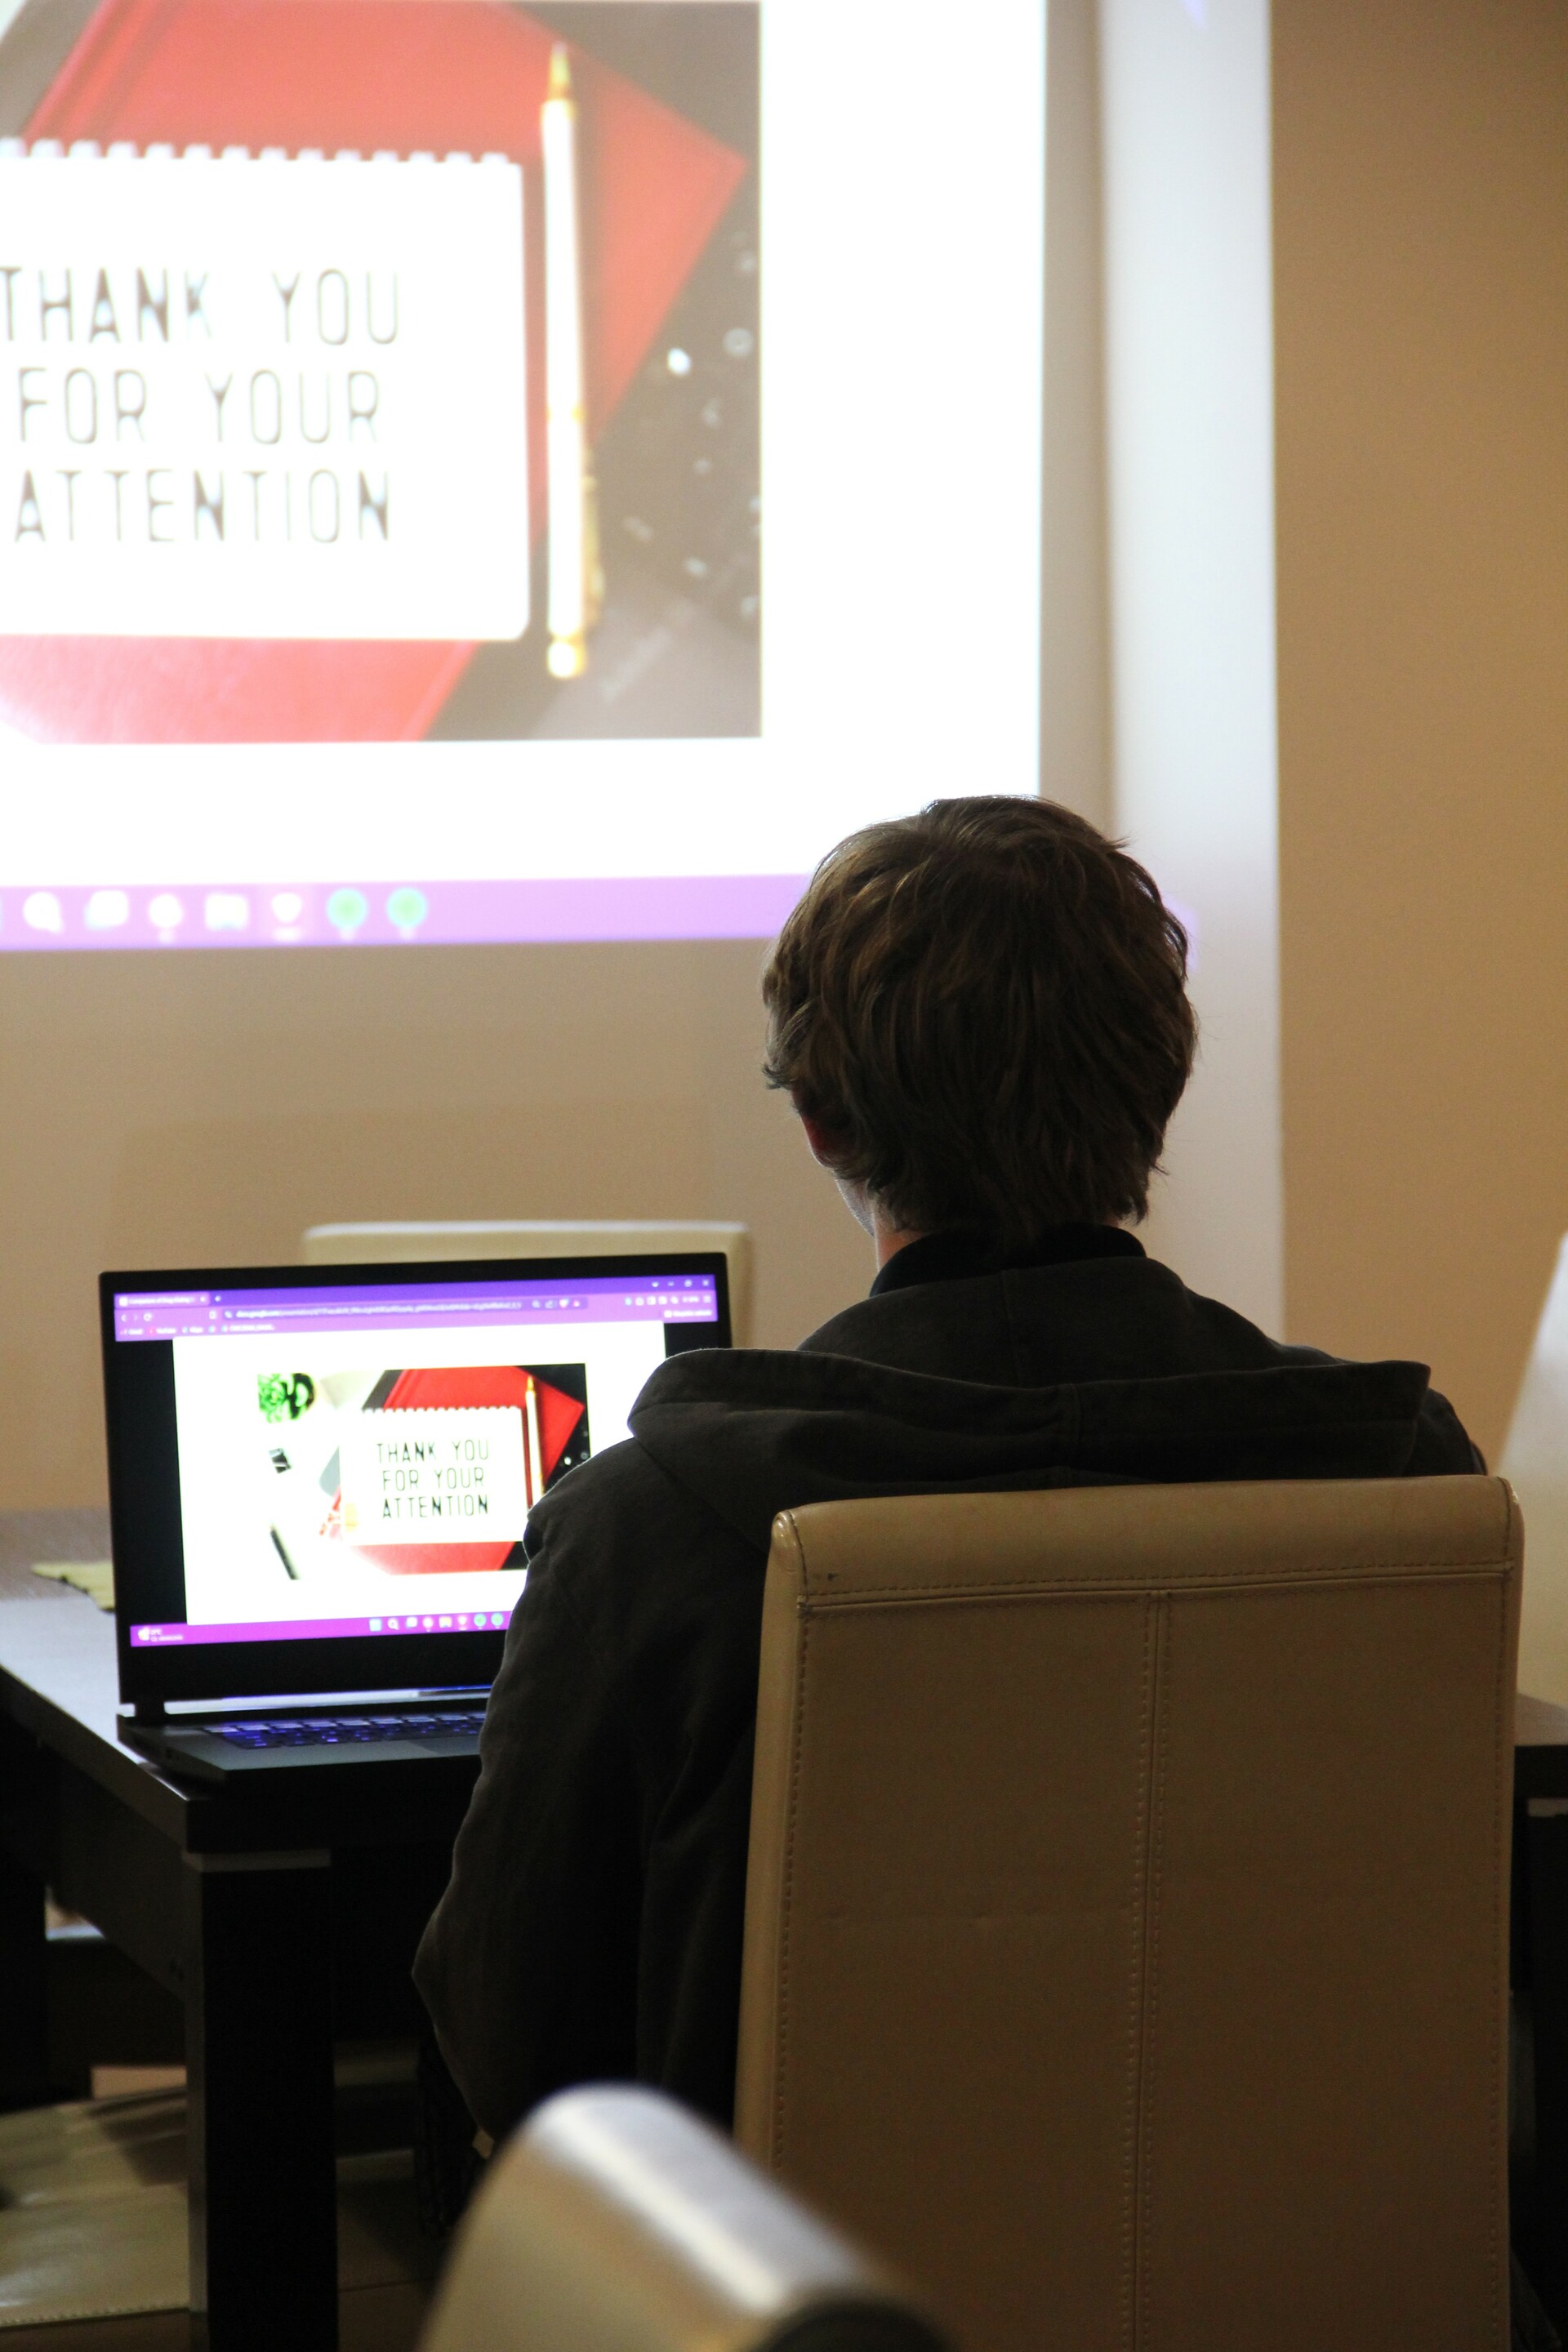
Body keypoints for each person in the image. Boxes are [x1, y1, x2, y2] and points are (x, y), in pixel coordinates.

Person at [413, 795, 1479, 2147]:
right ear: (1158, 1090)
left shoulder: (654, 1528)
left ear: (821, 1119)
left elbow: (515, 2042)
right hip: (1317, 2239)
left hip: (796, 2266)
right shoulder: (1402, 1477)